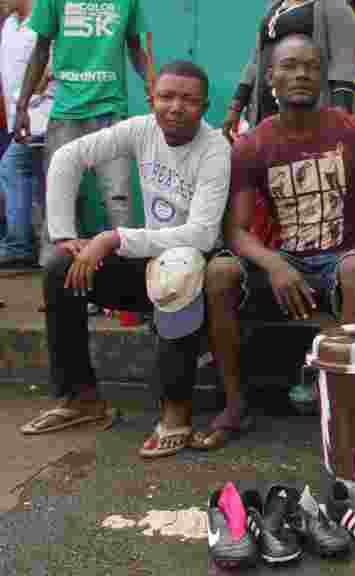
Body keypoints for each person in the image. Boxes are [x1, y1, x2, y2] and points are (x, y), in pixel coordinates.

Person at [18, 61, 232, 460]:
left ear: (204, 105)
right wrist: (65, 237)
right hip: (147, 263)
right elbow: (67, 157)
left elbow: (202, 234)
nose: (175, 107)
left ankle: (177, 413)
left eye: (188, 99)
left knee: (178, 269)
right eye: (166, 97)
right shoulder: (141, 129)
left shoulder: (215, 149)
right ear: (152, 99)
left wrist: (114, 238)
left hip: (197, 269)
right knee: (61, 270)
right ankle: (81, 399)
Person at [204, 34, 355, 440]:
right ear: (271, 76)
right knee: (219, 272)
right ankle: (236, 406)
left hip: (342, 261)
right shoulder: (253, 145)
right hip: (284, 260)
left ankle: (346, 408)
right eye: (289, 65)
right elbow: (235, 230)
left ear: (323, 75)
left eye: (310, 66)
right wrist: (274, 263)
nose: (301, 74)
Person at [14, 0, 150, 268]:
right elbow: (41, 51)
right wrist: (22, 107)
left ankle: (130, 290)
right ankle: (56, 287)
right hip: (66, 114)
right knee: (59, 203)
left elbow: (135, 48)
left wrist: (153, 86)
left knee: (119, 200)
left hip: (110, 112)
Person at [223, 0, 355, 144]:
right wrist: (236, 106)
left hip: (308, 114)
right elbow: (255, 61)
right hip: (266, 111)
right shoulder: (275, 6)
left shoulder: (334, 6)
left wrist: (341, 118)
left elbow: (343, 66)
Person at [0, 0, 54, 268]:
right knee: (42, 183)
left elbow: (51, 65)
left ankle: (19, 246)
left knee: (13, 167)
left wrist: (30, 96)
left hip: (43, 114)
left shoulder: (42, 20)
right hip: (19, 118)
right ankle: (39, 247)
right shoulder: (9, 24)